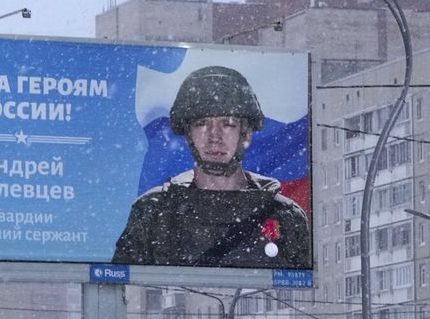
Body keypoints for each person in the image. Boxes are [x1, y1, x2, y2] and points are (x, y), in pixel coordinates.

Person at [111, 65, 310, 268]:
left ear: (246, 134)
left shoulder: (285, 217)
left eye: (228, 123)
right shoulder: (153, 213)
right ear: (188, 134)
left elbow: (304, 293)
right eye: (202, 123)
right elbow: (122, 287)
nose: (214, 137)